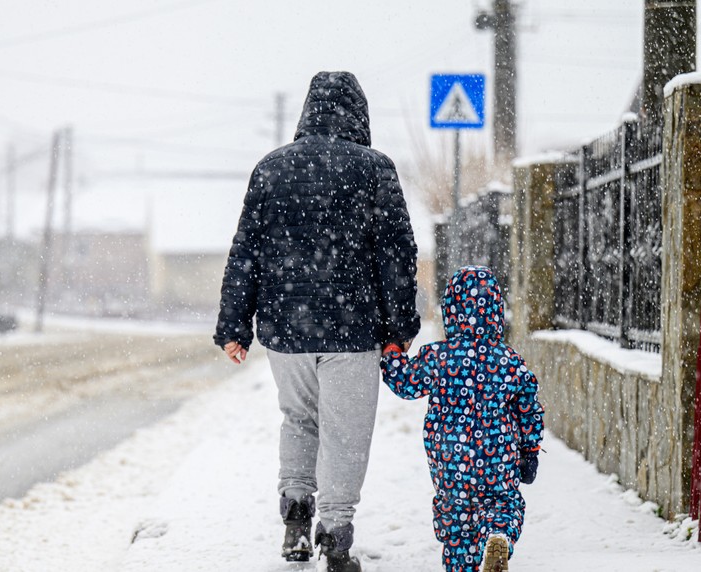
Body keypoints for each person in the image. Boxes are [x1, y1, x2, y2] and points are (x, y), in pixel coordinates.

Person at [214, 71, 420, 572]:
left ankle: (295, 514)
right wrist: (400, 330)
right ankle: (335, 534)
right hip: (352, 330)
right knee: (346, 433)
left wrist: (234, 326)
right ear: (359, 113)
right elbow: (396, 254)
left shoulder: (270, 168)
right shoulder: (375, 169)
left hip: (286, 330)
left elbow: (246, 251)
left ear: (307, 110)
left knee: (300, 419)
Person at [381, 266, 544, 572]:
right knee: (503, 503)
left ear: (451, 311)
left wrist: (392, 352)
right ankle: (497, 536)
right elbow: (529, 409)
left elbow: (405, 382)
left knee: (456, 519)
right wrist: (530, 452)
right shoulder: (509, 361)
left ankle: (461, 564)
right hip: (498, 454)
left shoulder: (438, 357)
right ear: (497, 311)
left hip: (451, 458)